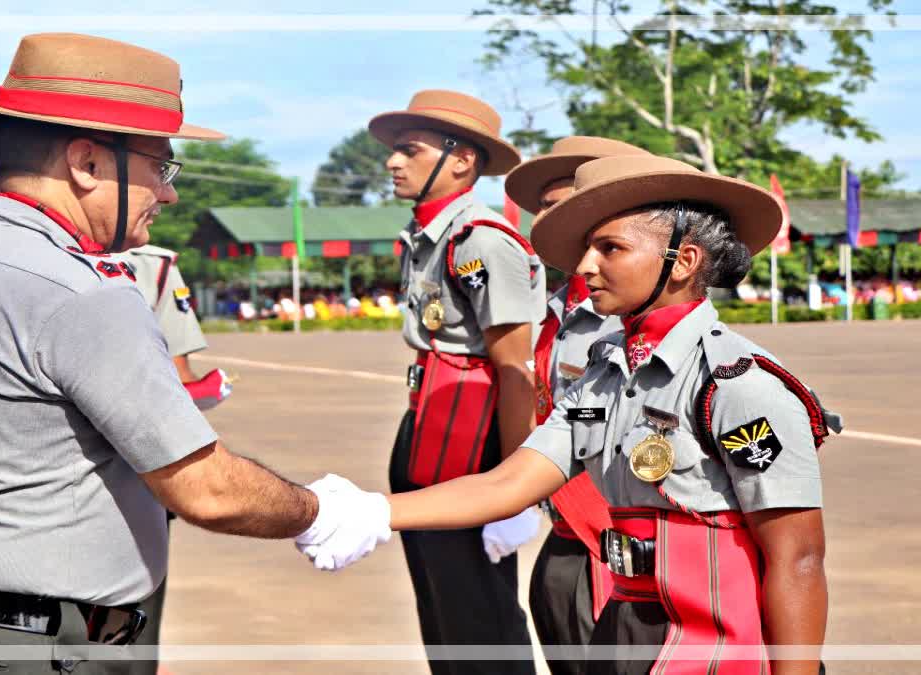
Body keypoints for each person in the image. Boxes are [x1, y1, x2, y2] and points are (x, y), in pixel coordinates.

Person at [0, 33, 382, 674]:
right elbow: (209, 491)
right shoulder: (84, 294)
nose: (166, 194)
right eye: (157, 168)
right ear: (86, 162)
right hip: (30, 650)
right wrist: (319, 510)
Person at [301, 155, 832, 675]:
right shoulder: (605, 377)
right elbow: (510, 481)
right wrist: (372, 512)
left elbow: (798, 558)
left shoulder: (737, 384)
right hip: (626, 626)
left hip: (715, 642)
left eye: (610, 248)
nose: (584, 266)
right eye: (586, 249)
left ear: (684, 261)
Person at [368, 89, 543, 675]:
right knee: (440, 603)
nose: (393, 163)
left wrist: (515, 488)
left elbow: (516, 370)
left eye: (408, 151)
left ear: (461, 159)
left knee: (478, 612)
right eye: (394, 152)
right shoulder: (425, 235)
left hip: (474, 441)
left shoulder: (482, 241)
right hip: (430, 423)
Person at [503, 136, 648, 673]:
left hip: (612, 533)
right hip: (565, 524)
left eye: (563, 204)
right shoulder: (559, 306)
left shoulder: (627, 316)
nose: (548, 219)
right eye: (542, 208)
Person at [117, 243, 232, 675]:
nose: (166, 196)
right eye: (155, 173)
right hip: (129, 480)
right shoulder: (149, 268)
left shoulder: (153, 266)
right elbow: (181, 381)